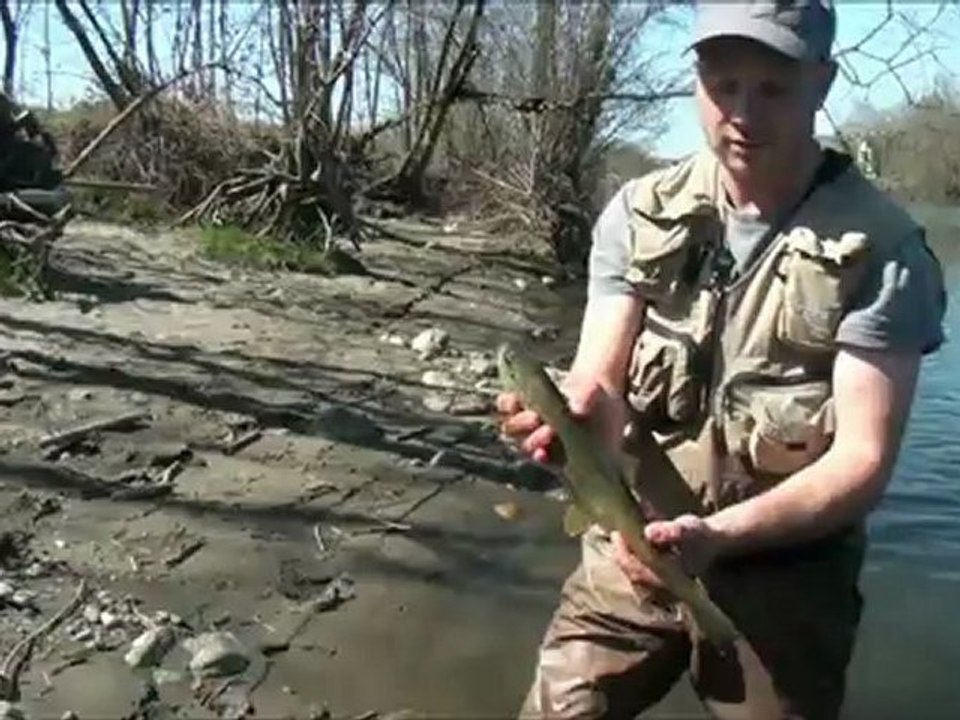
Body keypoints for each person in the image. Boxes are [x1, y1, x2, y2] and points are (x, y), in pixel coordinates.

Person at [496, 1, 947, 718]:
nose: (743, 112)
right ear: (696, 79)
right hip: (631, 550)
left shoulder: (883, 252)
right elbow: (600, 383)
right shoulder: (638, 213)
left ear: (822, 84)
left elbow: (862, 462)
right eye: (722, 83)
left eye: (773, 88)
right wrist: (577, 422)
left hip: (787, 582)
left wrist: (718, 537)